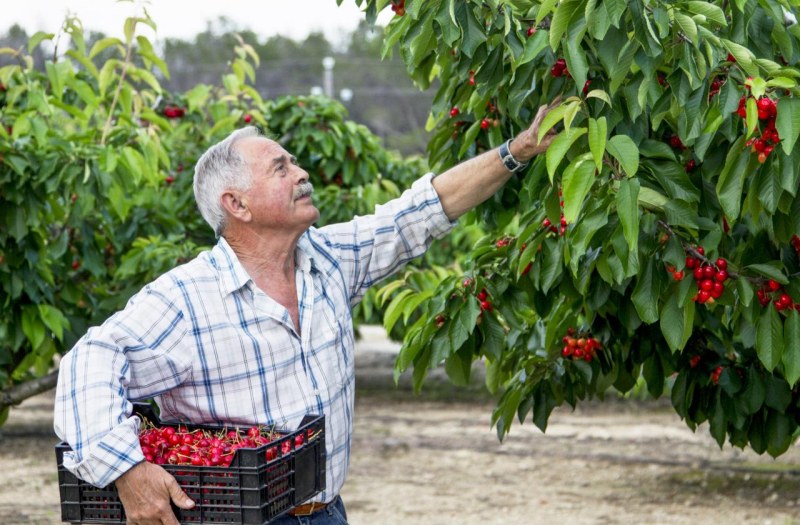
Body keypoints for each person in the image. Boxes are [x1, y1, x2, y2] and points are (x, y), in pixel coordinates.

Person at [53, 100, 558, 525]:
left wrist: (517, 151)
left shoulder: (329, 261)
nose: (301, 173)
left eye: (293, 163)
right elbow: (88, 363)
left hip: (324, 510)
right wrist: (125, 469)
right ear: (238, 205)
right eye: (281, 168)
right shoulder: (188, 298)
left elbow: (418, 214)